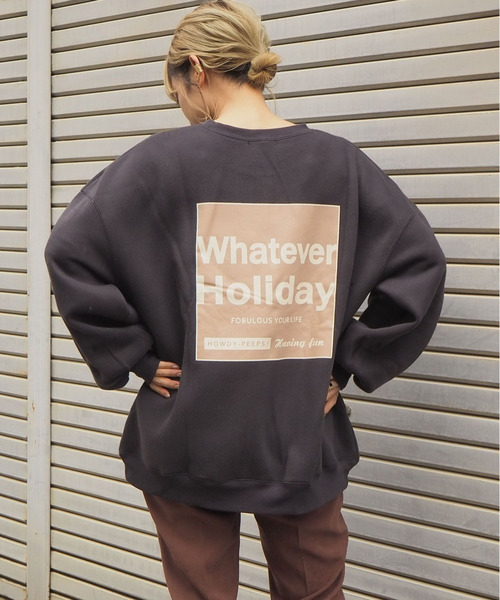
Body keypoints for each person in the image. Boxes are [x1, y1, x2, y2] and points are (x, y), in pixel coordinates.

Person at [44, 1, 447, 598]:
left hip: (187, 432)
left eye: (175, 92)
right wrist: (349, 364)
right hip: (300, 433)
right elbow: (420, 263)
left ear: (196, 69)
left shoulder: (156, 163)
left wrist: (135, 356)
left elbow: (70, 249)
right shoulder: (339, 163)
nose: (181, 108)